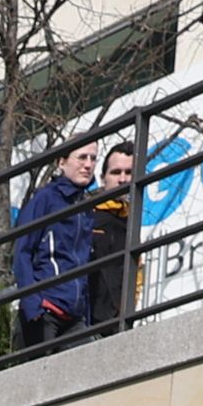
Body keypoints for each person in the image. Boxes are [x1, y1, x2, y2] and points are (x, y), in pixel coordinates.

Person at [14, 137, 100, 355]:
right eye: (81, 157)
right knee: (38, 384)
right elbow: (23, 251)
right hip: (45, 310)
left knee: (88, 373)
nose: (88, 164)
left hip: (74, 316)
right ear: (62, 163)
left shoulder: (86, 207)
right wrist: (34, 305)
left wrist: (86, 317)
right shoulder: (45, 199)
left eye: (93, 158)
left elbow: (83, 264)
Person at [86, 143, 141, 334]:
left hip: (118, 327)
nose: (123, 179)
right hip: (86, 324)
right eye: (116, 172)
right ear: (103, 179)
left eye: (129, 172)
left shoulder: (132, 225)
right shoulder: (86, 217)